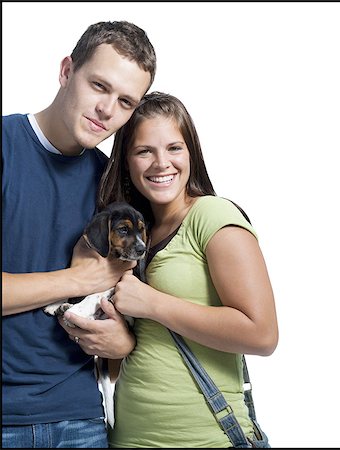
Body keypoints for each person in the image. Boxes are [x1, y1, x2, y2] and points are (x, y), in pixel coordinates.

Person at [83, 91, 279, 447]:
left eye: (174, 148)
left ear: (192, 153)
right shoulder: (132, 234)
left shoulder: (213, 216)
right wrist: (116, 342)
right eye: (145, 151)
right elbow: (128, 359)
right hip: (128, 438)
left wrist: (153, 303)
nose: (161, 163)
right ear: (126, 160)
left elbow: (262, 335)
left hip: (206, 439)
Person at [2, 21, 156, 448]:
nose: (107, 110)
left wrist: (121, 343)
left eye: (125, 101)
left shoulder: (115, 187)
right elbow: (90, 282)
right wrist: (76, 279)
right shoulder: (6, 147)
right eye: (99, 86)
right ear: (67, 70)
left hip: (79, 419)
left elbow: (126, 304)